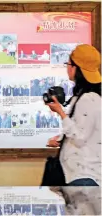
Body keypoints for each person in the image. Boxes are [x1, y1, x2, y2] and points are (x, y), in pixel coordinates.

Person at [46, 44, 101, 186]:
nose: (67, 68)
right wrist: (60, 139)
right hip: (78, 175)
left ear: (76, 68)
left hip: (84, 176)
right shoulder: (85, 97)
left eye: (68, 64)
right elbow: (86, 131)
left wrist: (60, 112)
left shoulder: (88, 98)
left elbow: (80, 137)